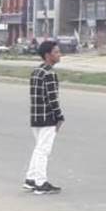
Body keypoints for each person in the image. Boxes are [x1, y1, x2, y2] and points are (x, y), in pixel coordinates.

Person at [26, 40, 65, 194]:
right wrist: (59, 116)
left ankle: (31, 179)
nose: (59, 54)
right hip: (47, 117)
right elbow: (52, 98)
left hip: (35, 116)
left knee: (38, 149)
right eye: (56, 52)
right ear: (48, 55)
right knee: (43, 150)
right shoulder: (49, 73)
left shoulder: (36, 71)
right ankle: (41, 183)